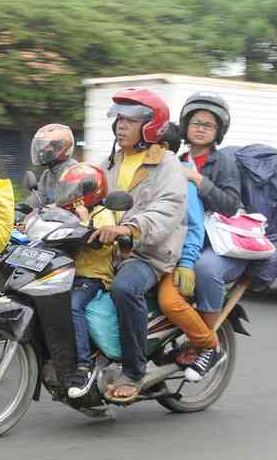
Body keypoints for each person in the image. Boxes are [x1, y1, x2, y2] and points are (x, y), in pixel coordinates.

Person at [90, 88, 188, 403]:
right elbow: (83, 190)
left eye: (130, 120)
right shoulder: (108, 161)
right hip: (108, 250)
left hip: (148, 254)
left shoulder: (167, 164)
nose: (121, 125)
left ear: (150, 126)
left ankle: (134, 370)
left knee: (124, 289)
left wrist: (130, 228)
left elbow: (167, 210)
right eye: (119, 119)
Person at [172, 92, 246, 380]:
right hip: (180, 239)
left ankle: (207, 345)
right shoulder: (176, 159)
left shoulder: (223, 163)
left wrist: (199, 181)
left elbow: (230, 205)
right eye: (196, 122)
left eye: (208, 125)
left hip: (215, 244)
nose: (200, 128)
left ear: (218, 132)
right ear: (185, 125)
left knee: (205, 269)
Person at [156, 123, 220, 381]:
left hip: (173, 258)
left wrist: (187, 262)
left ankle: (208, 344)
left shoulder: (182, 177)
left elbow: (194, 227)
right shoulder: (129, 170)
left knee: (169, 302)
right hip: (140, 255)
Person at [54, 162, 115, 398]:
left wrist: (83, 220)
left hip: (93, 276)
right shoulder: (67, 212)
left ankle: (83, 365)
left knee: (73, 306)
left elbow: (99, 238)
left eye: (75, 191)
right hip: (67, 273)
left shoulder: (103, 214)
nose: (70, 196)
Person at [24, 124, 78, 209]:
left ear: (61, 147)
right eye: (41, 146)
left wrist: (47, 209)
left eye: (49, 145)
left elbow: (68, 203)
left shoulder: (73, 172)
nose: (42, 150)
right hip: (51, 219)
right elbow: (38, 198)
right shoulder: (47, 175)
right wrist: (21, 209)